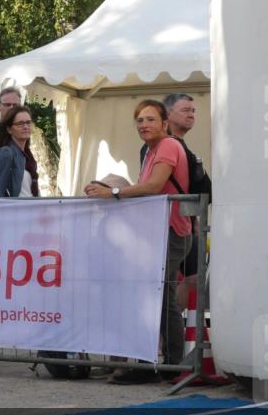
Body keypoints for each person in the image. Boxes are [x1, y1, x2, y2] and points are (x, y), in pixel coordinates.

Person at [85, 99, 192, 382]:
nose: (144, 125)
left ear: (164, 123)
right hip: (157, 232)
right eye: (140, 121)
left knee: (154, 295)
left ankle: (156, 364)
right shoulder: (150, 150)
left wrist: (114, 193)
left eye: (150, 119)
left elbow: (154, 186)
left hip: (172, 232)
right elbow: (147, 191)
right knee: (161, 296)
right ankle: (167, 364)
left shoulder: (168, 146)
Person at [156, 92, 210, 311]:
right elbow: (155, 185)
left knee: (194, 277)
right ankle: (165, 329)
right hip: (170, 224)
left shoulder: (180, 145)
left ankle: (172, 325)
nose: (192, 115)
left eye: (194, 111)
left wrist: (192, 218)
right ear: (168, 114)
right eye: (185, 110)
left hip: (185, 222)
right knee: (165, 281)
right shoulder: (161, 145)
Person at [0, 106, 40, 198]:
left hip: (30, 210)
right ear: (9, 129)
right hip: (15, 211)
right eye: (20, 124)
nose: (25, 127)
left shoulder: (28, 156)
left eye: (28, 122)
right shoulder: (5, 154)